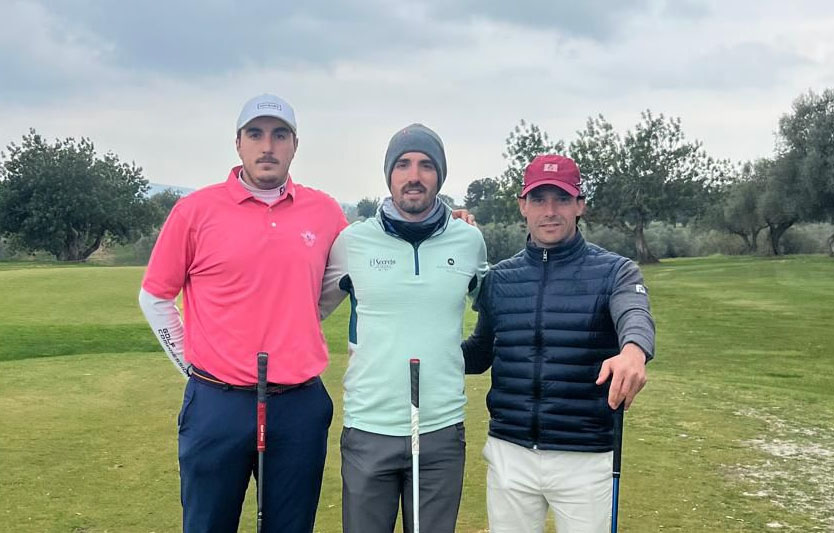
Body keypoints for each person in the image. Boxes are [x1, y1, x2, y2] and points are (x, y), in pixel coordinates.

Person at [138, 93, 347, 533]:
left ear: (295, 145)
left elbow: (337, 282)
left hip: (298, 405)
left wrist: (300, 317)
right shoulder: (194, 210)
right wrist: (190, 364)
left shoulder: (325, 212)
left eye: (279, 135)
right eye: (255, 134)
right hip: (217, 404)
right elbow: (155, 297)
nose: (267, 146)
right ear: (238, 143)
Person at [462, 154, 655, 533]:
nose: (550, 211)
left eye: (562, 199)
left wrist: (634, 351)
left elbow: (635, 315)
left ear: (580, 204)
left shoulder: (615, 271)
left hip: (585, 458)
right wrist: (422, 350)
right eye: (538, 199)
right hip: (510, 454)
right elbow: (480, 354)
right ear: (523, 205)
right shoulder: (500, 279)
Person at [319, 123, 489, 533]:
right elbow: (308, 313)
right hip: (368, 429)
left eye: (426, 165)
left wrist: (471, 356)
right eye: (404, 165)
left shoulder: (469, 240)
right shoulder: (352, 242)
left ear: (440, 176)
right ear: (389, 174)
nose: (414, 175)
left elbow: (494, 309)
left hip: (440, 431)